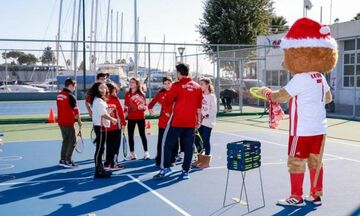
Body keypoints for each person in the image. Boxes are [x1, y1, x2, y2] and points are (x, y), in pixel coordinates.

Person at [259, 18, 338, 206]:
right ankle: (316, 194)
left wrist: (267, 93)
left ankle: (296, 196)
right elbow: (328, 99)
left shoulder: (300, 78)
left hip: (301, 130)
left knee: (296, 162)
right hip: (320, 129)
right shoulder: (320, 76)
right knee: (316, 162)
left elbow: (281, 96)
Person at [153, 63, 203, 180]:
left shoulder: (176, 85)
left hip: (177, 122)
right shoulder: (197, 87)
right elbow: (199, 107)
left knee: (167, 144)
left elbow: (167, 101)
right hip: (191, 122)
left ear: (179, 73)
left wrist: (162, 101)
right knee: (189, 147)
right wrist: (199, 120)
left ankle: (166, 168)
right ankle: (185, 171)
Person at [148, 77, 178, 167]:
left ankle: (172, 159)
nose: (167, 85)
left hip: (174, 121)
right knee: (161, 141)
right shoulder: (161, 93)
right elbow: (151, 103)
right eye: (165, 84)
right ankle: (159, 160)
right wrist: (150, 109)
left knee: (174, 141)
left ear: (172, 83)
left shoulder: (176, 93)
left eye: (169, 83)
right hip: (163, 122)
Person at [90, 82, 117, 178]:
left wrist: (109, 111)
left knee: (101, 148)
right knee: (99, 149)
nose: (103, 90)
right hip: (100, 127)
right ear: (97, 89)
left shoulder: (100, 100)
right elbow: (103, 114)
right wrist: (112, 119)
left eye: (104, 88)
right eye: (101, 88)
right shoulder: (98, 101)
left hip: (102, 126)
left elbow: (103, 112)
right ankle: (98, 171)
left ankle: (100, 168)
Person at [56, 78, 82, 168]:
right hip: (68, 122)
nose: (75, 88)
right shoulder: (70, 96)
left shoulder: (59, 95)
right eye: (74, 86)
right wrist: (79, 122)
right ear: (71, 85)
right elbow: (76, 111)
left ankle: (62, 160)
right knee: (72, 141)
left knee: (65, 140)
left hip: (61, 121)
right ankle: (68, 161)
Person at [192, 78, 217, 169]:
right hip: (199, 122)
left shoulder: (211, 96)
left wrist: (207, 115)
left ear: (207, 85)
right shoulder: (200, 95)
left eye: (202, 84)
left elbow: (214, 110)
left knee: (206, 140)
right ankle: (200, 159)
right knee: (198, 140)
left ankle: (206, 162)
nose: (200, 86)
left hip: (208, 122)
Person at [124, 77, 149, 160]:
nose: (131, 83)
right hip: (131, 118)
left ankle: (146, 153)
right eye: (130, 82)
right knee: (130, 136)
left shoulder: (141, 94)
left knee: (142, 135)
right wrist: (124, 117)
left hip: (140, 117)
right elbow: (126, 107)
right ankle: (132, 154)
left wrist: (144, 107)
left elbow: (145, 106)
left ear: (137, 84)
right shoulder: (127, 94)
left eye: (133, 82)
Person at [105, 82, 126, 170]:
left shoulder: (103, 99)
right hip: (116, 127)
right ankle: (113, 164)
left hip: (106, 127)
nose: (115, 93)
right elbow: (120, 112)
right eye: (114, 91)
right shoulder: (115, 99)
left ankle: (107, 163)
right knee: (115, 146)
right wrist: (124, 122)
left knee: (108, 146)